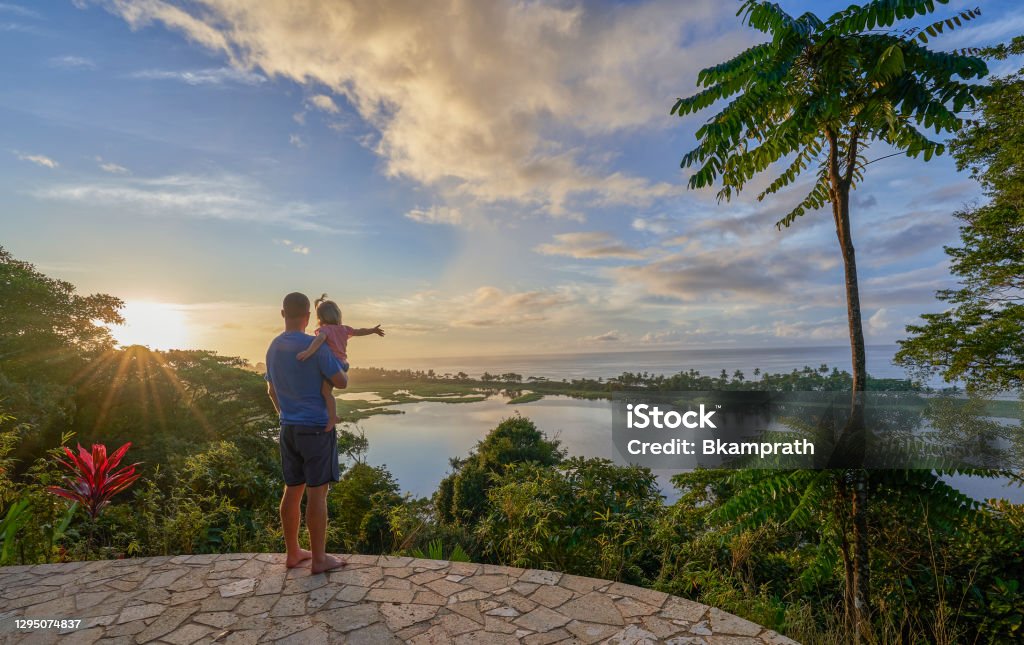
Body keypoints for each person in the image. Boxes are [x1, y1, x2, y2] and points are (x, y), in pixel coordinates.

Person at [265, 292, 348, 574]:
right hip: (316, 429)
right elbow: (341, 381)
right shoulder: (316, 345)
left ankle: (293, 553)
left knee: (292, 490)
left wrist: (284, 415)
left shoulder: (273, 347)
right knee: (317, 494)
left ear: (282, 313)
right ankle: (319, 559)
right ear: (308, 317)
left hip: (288, 429)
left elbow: (271, 390)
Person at [296, 294, 385, 431]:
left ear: (320, 318)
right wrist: (372, 330)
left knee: (325, 392)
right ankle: (331, 415)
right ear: (338, 315)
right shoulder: (344, 329)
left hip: (335, 364)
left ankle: (332, 418)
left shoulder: (325, 330)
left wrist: (308, 352)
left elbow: (319, 340)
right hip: (343, 363)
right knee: (326, 390)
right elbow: (359, 331)